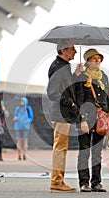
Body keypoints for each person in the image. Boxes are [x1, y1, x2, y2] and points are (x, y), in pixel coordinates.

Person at [75, 48, 109, 192]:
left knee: (97, 152)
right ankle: (84, 182)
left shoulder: (104, 77)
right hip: (85, 119)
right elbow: (77, 99)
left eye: (99, 58)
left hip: (101, 119)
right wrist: (81, 120)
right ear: (87, 61)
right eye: (93, 58)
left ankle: (96, 182)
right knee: (84, 151)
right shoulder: (80, 76)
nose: (97, 60)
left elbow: (107, 100)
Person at [47, 39, 79, 192]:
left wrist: (75, 75)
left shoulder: (64, 67)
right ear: (64, 50)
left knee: (61, 147)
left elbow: (65, 87)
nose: (75, 51)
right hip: (61, 113)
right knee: (60, 147)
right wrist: (70, 103)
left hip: (63, 113)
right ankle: (56, 182)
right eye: (72, 48)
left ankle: (58, 180)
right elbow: (53, 92)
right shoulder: (58, 67)